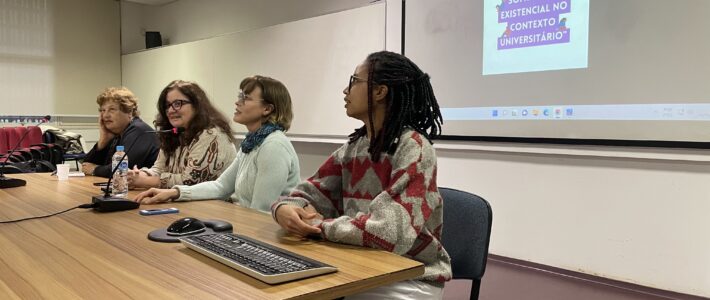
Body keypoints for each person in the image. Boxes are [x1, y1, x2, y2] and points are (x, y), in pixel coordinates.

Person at [271, 51, 452, 299]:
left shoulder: (415, 148)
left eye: (354, 81)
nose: (345, 91)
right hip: (358, 265)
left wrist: (315, 224)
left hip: (408, 276)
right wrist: (284, 209)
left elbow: (389, 233)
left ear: (380, 92)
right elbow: (308, 193)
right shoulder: (354, 148)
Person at [134, 76, 301, 213]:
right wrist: (174, 192)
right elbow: (221, 186)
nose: (237, 102)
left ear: (267, 109)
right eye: (239, 96)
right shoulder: (253, 142)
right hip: (248, 225)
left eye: (246, 98)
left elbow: (261, 211)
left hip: (264, 234)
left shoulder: (273, 146)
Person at [126, 80, 237, 189]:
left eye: (177, 104)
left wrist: (147, 181)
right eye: (167, 105)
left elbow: (191, 180)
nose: (170, 110)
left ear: (197, 105)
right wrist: (139, 175)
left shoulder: (211, 134)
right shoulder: (174, 132)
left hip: (216, 205)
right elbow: (158, 169)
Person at [82, 87, 160, 178]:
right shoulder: (117, 132)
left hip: (144, 189)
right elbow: (86, 165)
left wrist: (95, 169)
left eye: (112, 109)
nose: (106, 115)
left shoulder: (139, 130)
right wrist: (103, 141)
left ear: (129, 112)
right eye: (103, 110)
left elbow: (121, 169)